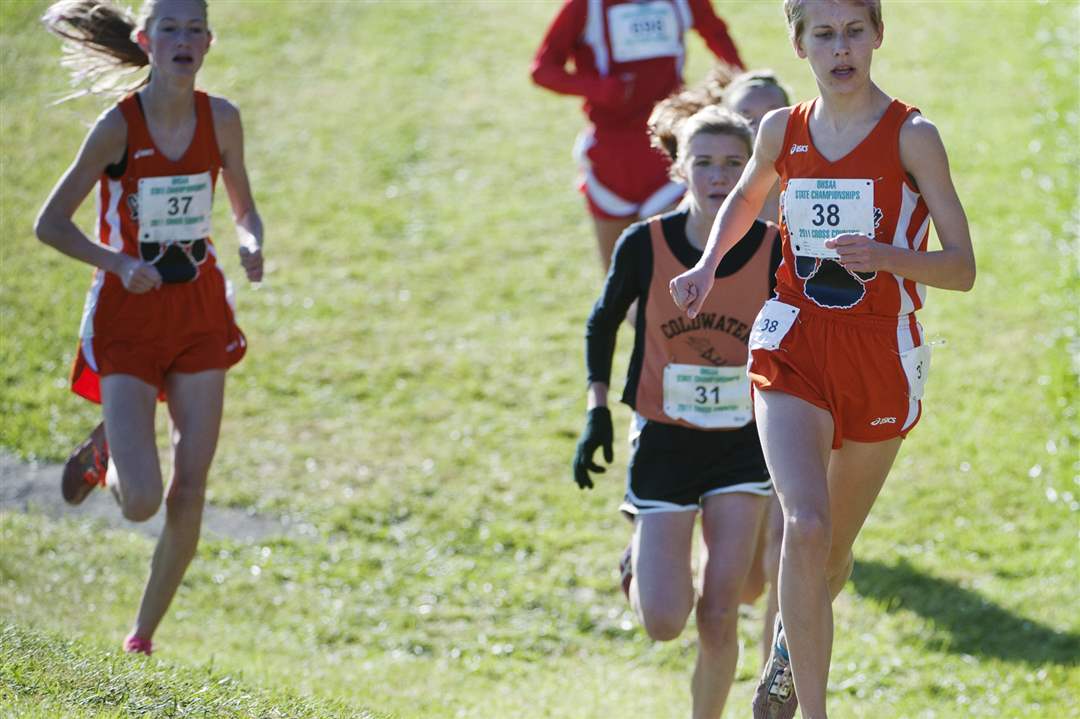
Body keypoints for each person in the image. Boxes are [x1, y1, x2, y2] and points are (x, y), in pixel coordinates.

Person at [668, 2, 975, 717]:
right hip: (792, 342)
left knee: (831, 553)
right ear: (800, 45)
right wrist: (709, 265)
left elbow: (961, 268)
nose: (842, 49)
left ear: (877, 36)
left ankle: (783, 651)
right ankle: (810, 707)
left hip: (880, 354)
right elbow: (745, 202)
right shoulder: (783, 129)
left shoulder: (914, 136)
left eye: (855, 31)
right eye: (825, 35)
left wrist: (888, 257)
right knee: (803, 524)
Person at [34, 0, 265, 656]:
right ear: (146, 40)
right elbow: (49, 223)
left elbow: (245, 209)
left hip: (197, 311)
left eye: (195, 29)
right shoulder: (116, 129)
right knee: (140, 501)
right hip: (126, 315)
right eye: (171, 28)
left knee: (190, 486)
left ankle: (141, 637)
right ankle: (109, 446)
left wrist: (251, 240)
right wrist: (117, 261)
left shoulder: (222, 120)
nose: (184, 39)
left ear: (209, 43)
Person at [573, 104, 782, 719]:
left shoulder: (775, 251)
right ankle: (641, 557)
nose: (719, 175)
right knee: (665, 621)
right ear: (680, 170)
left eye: (734, 165)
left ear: (753, 176)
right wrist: (597, 410)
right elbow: (602, 322)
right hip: (664, 441)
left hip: (741, 445)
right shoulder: (647, 243)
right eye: (705, 162)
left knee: (722, 611)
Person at [531, 0, 744, 271]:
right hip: (611, 160)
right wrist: (603, 89)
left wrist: (740, 88)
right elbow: (543, 69)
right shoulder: (587, 6)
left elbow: (716, 34)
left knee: (677, 275)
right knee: (620, 281)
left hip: (668, 153)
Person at [722, 67, 792, 668]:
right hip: (719, 397)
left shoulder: (810, 195)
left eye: (765, 117)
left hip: (790, 387)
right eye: (743, 116)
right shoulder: (708, 211)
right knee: (742, 579)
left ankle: (777, 674)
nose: (753, 128)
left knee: (785, 543)